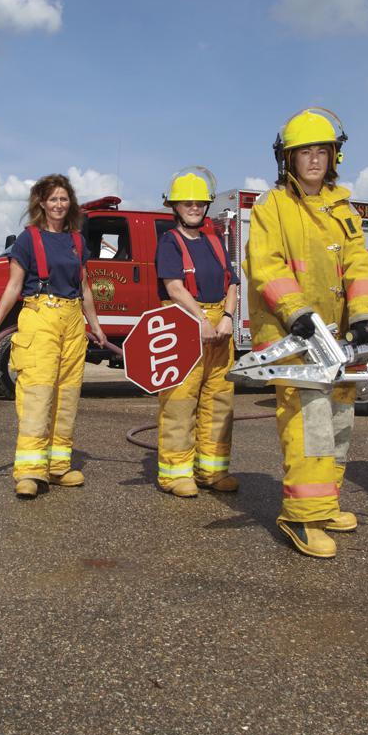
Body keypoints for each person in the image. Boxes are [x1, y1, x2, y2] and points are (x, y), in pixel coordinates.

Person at [245, 108, 368, 557]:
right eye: (304, 152)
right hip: (296, 337)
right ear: (288, 159)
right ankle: (301, 518)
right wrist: (297, 312)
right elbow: (266, 265)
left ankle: (325, 505)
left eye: (321, 151)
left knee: (339, 422)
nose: (314, 159)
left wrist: (365, 313)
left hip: (338, 339)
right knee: (311, 426)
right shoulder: (272, 206)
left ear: (334, 156)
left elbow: (360, 264)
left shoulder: (343, 207)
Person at [0, 174, 108, 499]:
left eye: (63, 198)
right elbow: (13, 286)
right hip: (40, 317)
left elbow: (84, 287)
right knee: (37, 396)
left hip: (72, 320)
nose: (58, 204)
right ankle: (29, 471)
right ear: (41, 203)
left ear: (71, 203)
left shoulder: (77, 240)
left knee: (67, 395)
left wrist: (95, 325)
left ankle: (57, 466)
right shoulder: (28, 239)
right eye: (52, 199)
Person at [153, 169, 240, 498]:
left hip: (219, 326)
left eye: (199, 203)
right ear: (174, 206)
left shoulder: (215, 241)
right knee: (180, 400)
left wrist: (228, 317)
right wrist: (201, 318)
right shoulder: (169, 242)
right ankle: (175, 473)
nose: (194, 208)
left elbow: (232, 283)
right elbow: (174, 288)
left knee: (219, 400)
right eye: (187, 203)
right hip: (184, 324)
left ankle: (212, 471)